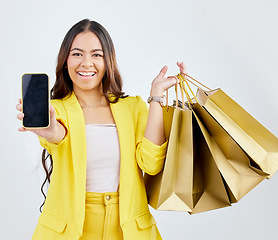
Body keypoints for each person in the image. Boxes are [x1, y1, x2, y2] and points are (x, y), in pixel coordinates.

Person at [16, 19, 186, 240]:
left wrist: (155, 97)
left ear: (108, 62)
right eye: (77, 54)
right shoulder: (55, 110)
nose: (87, 63)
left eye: (97, 55)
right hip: (70, 231)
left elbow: (151, 164)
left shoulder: (132, 107)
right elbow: (59, 135)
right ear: (65, 61)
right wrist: (51, 132)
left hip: (127, 230)